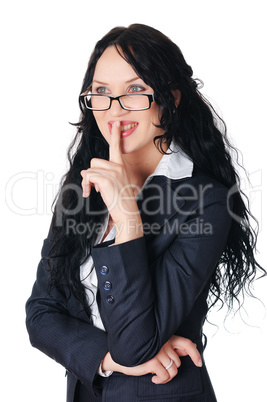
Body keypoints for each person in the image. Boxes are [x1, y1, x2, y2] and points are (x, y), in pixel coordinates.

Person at [25, 24, 265, 402]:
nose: (115, 108)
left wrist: (126, 214)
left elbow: (136, 344)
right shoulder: (84, 183)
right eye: (102, 92)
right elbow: (41, 315)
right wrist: (108, 358)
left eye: (135, 90)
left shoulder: (207, 201)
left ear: (171, 97)